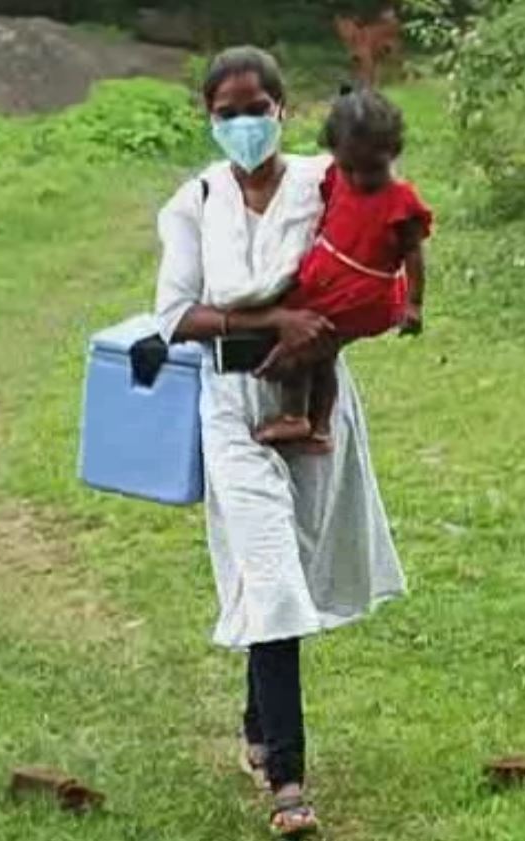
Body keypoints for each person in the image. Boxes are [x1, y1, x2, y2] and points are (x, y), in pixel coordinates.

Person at [153, 46, 406, 838]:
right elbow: (176, 316)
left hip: (310, 395)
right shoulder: (192, 202)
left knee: (288, 563)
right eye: (225, 114)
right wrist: (271, 320)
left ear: (281, 109)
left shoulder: (319, 182)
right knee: (270, 570)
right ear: (209, 118)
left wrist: (346, 317)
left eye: (253, 110)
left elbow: (372, 245)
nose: (242, 126)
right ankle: (288, 782)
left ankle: (257, 728)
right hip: (230, 402)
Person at [255, 86, 433, 452]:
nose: (358, 179)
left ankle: (296, 417)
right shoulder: (338, 175)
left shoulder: (399, 200)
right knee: (323, 355)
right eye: (348, 167)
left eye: (372, 169)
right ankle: (318, 429)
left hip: (362, 296)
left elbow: (414, 255)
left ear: (393, 153)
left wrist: (414, 304)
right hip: (328, 282)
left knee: (305, 348)